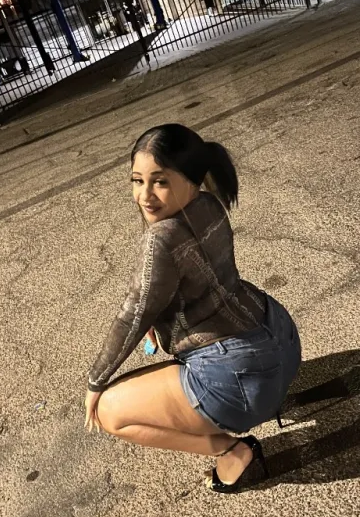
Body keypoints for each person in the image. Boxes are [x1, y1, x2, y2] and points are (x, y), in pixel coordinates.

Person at [85, 124, 301, 493]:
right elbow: (194, 282)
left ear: (191, 179)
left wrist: (95, 382)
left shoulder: (160, 239)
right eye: (137, 181)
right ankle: (267, 402)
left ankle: (233, 451)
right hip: (282, 340)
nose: (145, 195)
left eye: (160, 182)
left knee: (108, 412)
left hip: (239, 378)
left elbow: (133, 315)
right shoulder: (209, 203)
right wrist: (160, 318)